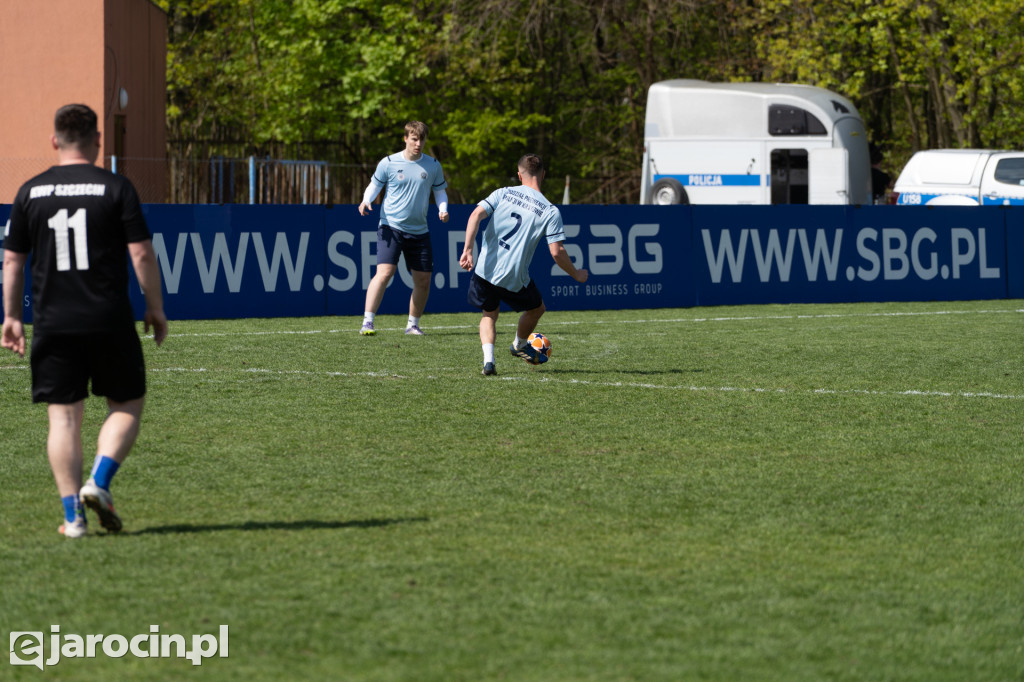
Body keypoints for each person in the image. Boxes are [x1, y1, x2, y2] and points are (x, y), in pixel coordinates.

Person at [1, 103, 168, 538]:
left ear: (54, 141)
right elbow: (141, 253)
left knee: (63, 419)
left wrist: (12, 317)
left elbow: (13, 261)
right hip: (108, 318)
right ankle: (99, 481)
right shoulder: (116, 187)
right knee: (126, 404)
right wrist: (155, 306)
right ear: (97, 140)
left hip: (53, 322)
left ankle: (73, 517)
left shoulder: (29, 191)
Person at [459, 153, 588, 376]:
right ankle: (518, 344)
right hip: (513, 276)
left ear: (519, 175)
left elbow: (475, 215)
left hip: (485, 270)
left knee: (489, 314)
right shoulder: (550, 210)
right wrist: (576, 274)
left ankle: (489, 361)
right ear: (543, 175)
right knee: (537, 308)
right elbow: (557, 252)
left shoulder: (503, 193)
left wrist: (468, 249)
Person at [357, 121, 449, 336]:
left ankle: (412, 325)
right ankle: (367, 322)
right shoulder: (388, 163)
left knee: (423, 280)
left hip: (420, 231)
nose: (418, 144)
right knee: (384, 273)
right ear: (405, 138)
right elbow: (374, 185)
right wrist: (366, 200)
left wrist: (443, 209)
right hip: (391, 227)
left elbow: (440, 192)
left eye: (422, 140)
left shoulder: (433, 165)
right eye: (414, 139)